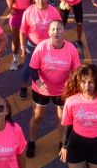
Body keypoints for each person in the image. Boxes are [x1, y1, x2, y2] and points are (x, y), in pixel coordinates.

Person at [26, 20, 80, 158]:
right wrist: (37, 81)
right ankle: (31, 142)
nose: (56, 32)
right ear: (49, 32)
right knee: (38, 116)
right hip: (42, 89)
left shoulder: (71, 49)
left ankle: (62, 143)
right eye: (53, 29)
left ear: (64, 32)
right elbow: (33, 67)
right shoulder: (42, 47)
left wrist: (73, 85)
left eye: (59, 29)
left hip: (62, 90)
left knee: (62, 118)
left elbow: (76, 70)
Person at [17, 0, 61, 101]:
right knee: (28, 67)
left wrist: (58, 43)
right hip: (32, 45)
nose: (40, 0)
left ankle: (48, 87)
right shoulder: (29, 11)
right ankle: (23, 87)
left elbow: (59, 27)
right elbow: (22, 31)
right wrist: (22, 47)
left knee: (49, 67)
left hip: (49, 45)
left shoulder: (53, 11)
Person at [6, 0, 38, 70]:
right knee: (15, 39)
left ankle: (31, 60)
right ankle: (15, 60)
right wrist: (10, 9)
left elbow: (37, 0)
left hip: (29, 14)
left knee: (31, 38)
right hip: (16, 13)